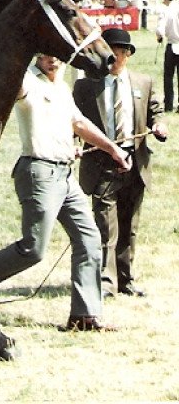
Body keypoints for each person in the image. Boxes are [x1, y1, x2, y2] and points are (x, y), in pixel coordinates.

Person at [0, 54, 132, 331]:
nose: (53, 61)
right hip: (39, 173)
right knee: (33, 249)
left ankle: (84, 316)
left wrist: (113, 149)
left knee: (89, 239)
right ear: (37, 55)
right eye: (47, 56)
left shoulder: (61, 86)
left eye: (59, 57)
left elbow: (79, 123)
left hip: (65, 174)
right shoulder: (25, 82)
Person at [73, 28, 168, 299]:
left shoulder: (143, 82)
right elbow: (73, 121)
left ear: (127, 54)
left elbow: (155, 111)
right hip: (101, 163)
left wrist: (159, 125)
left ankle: (126, 279)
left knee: (129, 226)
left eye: (118, 54)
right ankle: (106, 283)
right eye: (109, 55)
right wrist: (72, 145)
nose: (113, 60)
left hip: (135, 163)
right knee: (105, 226)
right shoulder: (85, 86)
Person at [155, 0, 179, 112]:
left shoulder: (165, 11)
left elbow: (160, 30)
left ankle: (169, 105)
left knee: (168, 77)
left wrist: (159, 38)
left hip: (172, 45)